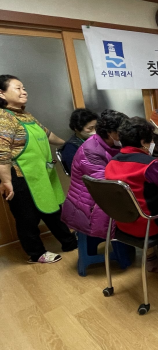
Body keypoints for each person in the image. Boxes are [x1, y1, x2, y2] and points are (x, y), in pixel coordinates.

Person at [0, 74, 77, 263]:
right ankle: (36, 254)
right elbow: (2, 154)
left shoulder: (24, 115)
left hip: (40, 174)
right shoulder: (3, 119)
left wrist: (69, 144)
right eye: (17, 88)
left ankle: (68, 241)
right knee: (27, 218)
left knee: (51, 208)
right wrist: (6, 182)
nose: (23, 91)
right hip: (18, 176)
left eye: (23, 87)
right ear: (1, 93)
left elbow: (47, 134)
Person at [105, 117, 158, 272]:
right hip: (149, 224)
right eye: (151, 140)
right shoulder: (149, 164)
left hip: (123, 224)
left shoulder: (111, 162)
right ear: (144, 142)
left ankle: (151, 259)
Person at [61, 109, 127, 257]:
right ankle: (150, 255)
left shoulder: (109, 144)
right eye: (122, 132)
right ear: (110, 133)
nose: (125, 135)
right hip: (91, 203)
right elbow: (105, 185)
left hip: (98, 198)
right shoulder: (90, 150)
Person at [59, 108, 98, 174]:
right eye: (90, 128)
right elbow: (75, 173)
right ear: (76, 129)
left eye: (96, 127)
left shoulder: (96, 140)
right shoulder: (70, 148)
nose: (95, 131)